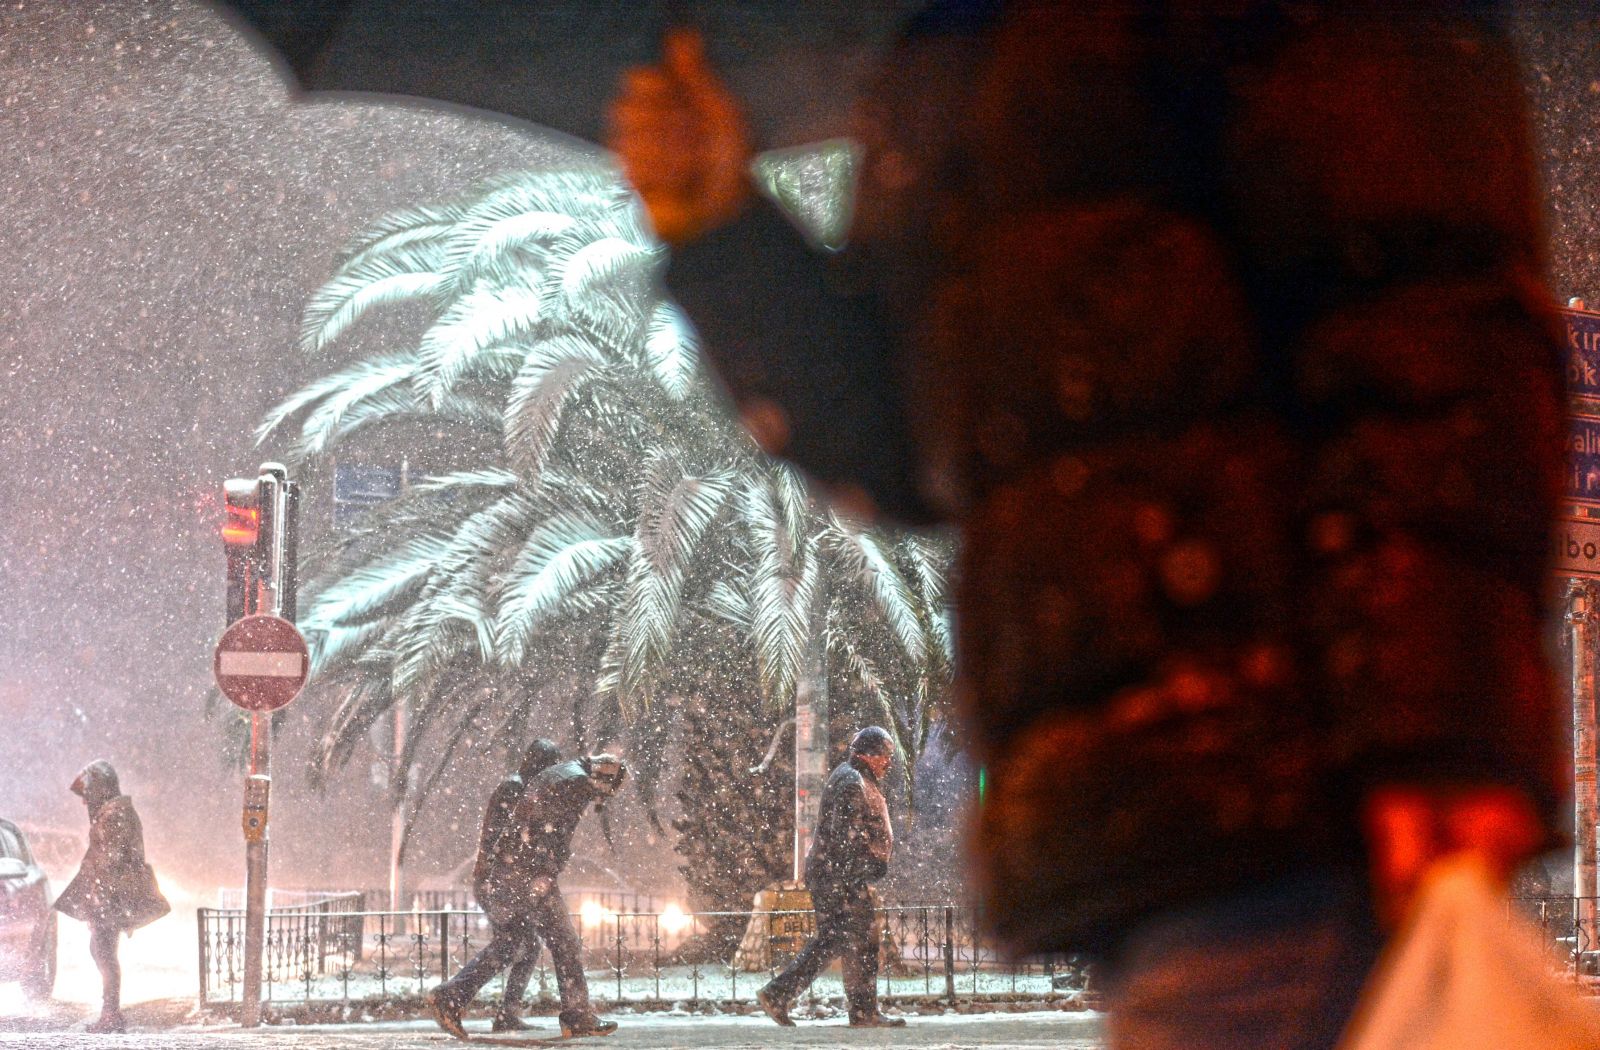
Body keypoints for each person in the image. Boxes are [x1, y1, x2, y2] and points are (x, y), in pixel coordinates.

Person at [610, 6, 1564, 1047]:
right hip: (1130, 821)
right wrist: (724, 235)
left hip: (1300, 781)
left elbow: (1428, 328)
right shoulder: (956, 51)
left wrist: (1430, 735)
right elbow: (920, 445)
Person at [428, 752, 627, 1040]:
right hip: (529, 873)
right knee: (565, 941)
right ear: (603, 778)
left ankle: (451, 997)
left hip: (512, 870)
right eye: (607, 791)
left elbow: (531, 824)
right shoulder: (576, 782)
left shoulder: (562, 774)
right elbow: (551, 830)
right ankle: (577, 1015)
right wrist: (546, 868)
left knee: (513, 942)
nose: (601, 798)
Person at [757, 727, 903, 1028]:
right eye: (885, 756)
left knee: (846, 940)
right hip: (841, 878)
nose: (888, 762)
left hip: (838, 876)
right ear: (869, 754)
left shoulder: (857, 778)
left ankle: (858, 1010)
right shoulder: (852, 781)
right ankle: (785, 995)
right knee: (849, 940)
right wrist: (863, 867)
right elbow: (846, 836)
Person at [428, 737, 562, 1035]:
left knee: (526, 946)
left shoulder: (522, 788)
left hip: (503, 881)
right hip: (499, 883)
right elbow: (509, 840)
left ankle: (506, 1013)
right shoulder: (516, 789)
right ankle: (452, 995)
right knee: (512, 944)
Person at [53, 760, 170, 1033]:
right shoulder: (114, 813)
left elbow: (112, 861)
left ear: (100, 788)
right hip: (107, 897)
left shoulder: (116, 815)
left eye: (87, 794)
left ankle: (111, 1015)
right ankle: (110, 1012)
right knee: (101, 951)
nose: (84, 803)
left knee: (104, 953)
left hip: (110, 899)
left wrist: (100, 898)